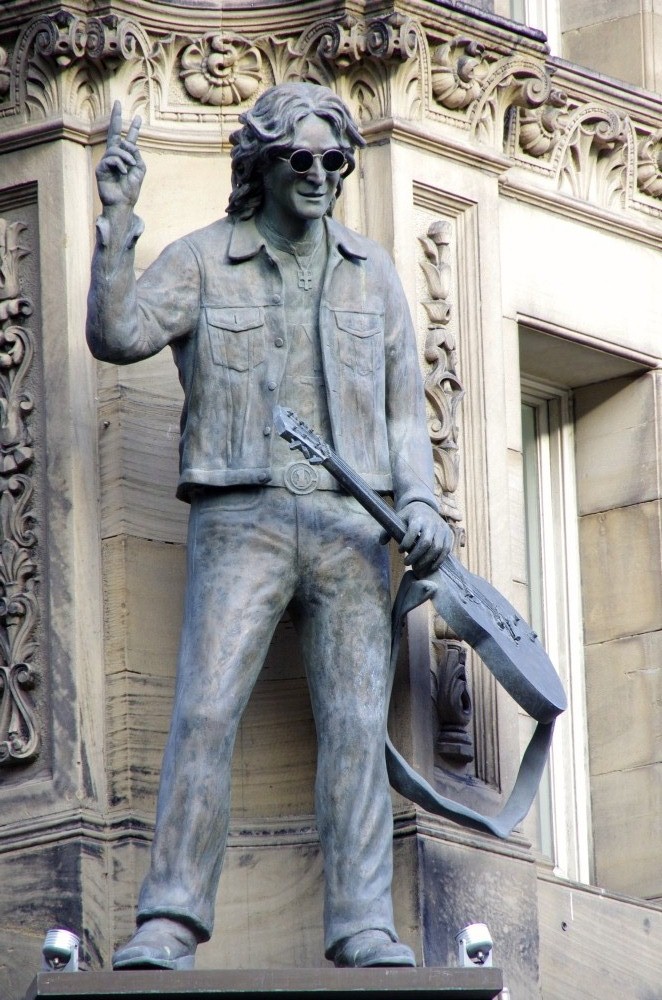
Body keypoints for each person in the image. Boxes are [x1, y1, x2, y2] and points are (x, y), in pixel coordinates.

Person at [87, 83, 453, 971]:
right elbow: (118, 334)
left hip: (352, 526)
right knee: (205, 713)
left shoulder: (374, 273)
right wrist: (118, 221)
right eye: (301, 158)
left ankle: (363, 922)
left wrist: (420, 503)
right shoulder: (202, 259)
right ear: (263, 164)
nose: (321, 174)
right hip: (239, 515)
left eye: (336, 160)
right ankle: (169, 919)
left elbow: (407, 414)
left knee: (357, 726)